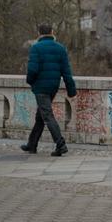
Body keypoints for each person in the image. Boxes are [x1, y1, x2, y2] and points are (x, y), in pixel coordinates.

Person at [21, 23, 77, 156]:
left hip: (40, 87)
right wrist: (71, 90)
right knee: (40, 116)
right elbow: (66, 72)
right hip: (53, 87)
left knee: (47, 115)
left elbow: (32, 70)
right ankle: (32, 144)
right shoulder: (61, 48)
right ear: (52, 32)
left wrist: (30, 81)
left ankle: (61, 144)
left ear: (39, 33)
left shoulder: (36, 48)